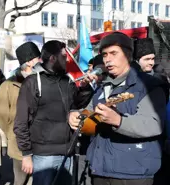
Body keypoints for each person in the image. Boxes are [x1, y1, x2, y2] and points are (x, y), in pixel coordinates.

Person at [68, 32, 167, 185]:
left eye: (114, 53)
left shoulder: (149, 86)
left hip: (133, 173)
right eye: (105, 54)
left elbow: (153, 123)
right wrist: (75, 115)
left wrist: (119, 121)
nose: (107, 59)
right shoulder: (103, 86)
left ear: (127, 55)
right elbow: (89, 112)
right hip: (100, 170)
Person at [14, 40, 93, 185]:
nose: (67, 59)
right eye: (63, 56)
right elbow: (21, 122)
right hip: (44, 157)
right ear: (52, 58)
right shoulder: (32, 82)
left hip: (67, 153)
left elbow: (77, 104)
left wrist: (85, 88)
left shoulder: (66, 81)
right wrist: (26, 154)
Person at [0, 42, 41, 185]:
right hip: (19, 143)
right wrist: (12, 132)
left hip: (42, 142)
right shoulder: (9, 84)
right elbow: (0, 114)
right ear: (29, 61)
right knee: (21, 180)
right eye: (37, 58)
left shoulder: (43, 80)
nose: (41, 61)